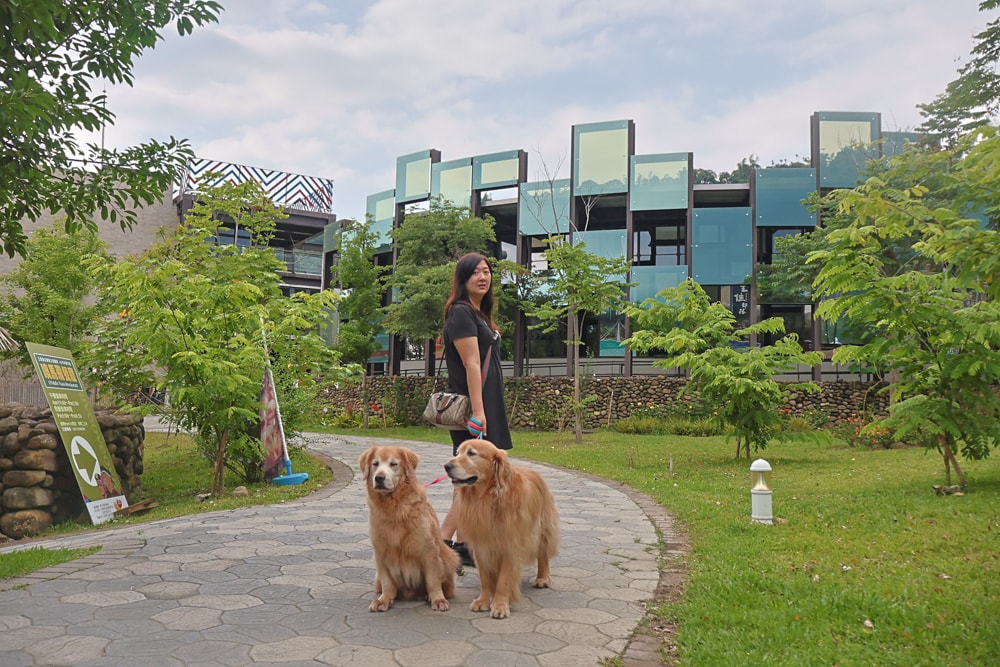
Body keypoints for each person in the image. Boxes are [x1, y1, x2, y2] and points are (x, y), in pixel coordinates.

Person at [438, 252, 513, 567]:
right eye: (475, 273)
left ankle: (464, 544)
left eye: (487, 271)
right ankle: (442, 543)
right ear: (463, 279)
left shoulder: (479, 314)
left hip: (486, 404)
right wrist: (479, 414)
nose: (483, 277)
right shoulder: (461, 314)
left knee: (473, 479)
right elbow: (470, 364)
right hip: (474, 407)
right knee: (465, 477)